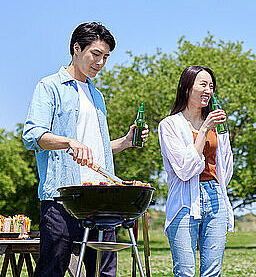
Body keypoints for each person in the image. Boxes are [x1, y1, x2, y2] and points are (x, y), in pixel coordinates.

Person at [23, 22, 149, 277]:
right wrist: (69, 141)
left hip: (102, 199)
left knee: (104, 273)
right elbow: (32, 135)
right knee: (52, 271)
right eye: (96, 54)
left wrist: (125, 142)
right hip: (64, 197)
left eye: (105, 57)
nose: (101, 63)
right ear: (76, 49)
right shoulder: (50, 87)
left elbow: (96, 152)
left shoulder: (97, 95)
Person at [158, 65, 234, 277]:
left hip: (215, 196)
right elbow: (184, 170)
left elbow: (225, 169)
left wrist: (218, 132)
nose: (208, 90)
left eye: (211, 86)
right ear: (186, 88)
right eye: (203, 85)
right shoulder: (170, 125)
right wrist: (203, 130)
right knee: (185, 271)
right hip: (184, 201)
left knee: (212, 272)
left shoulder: (218, 125)